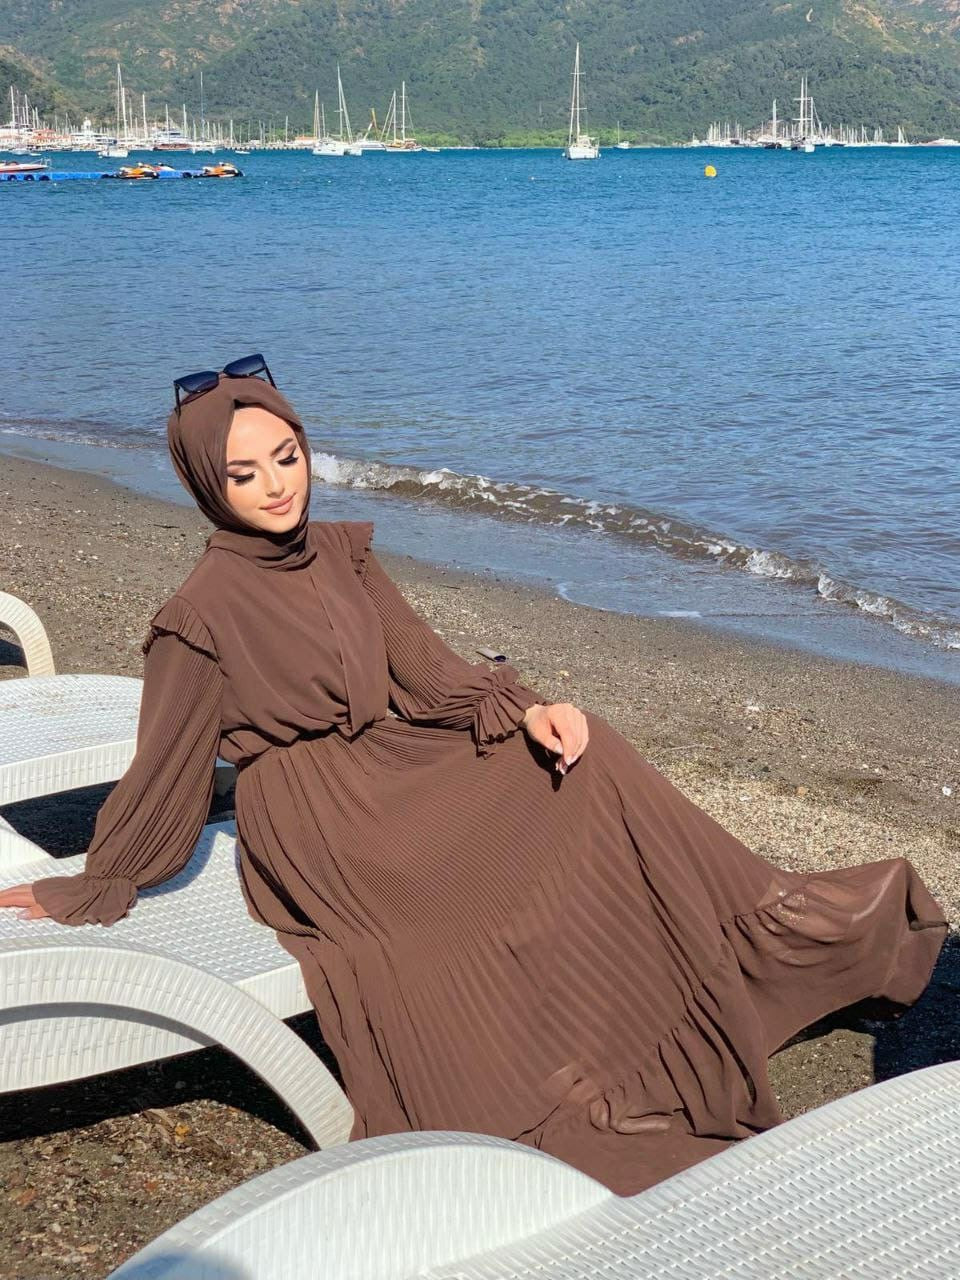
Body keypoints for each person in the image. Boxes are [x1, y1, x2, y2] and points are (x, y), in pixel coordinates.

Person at [0, 358, 946, 1194]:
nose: (278, 485)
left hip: (398, 763)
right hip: (323, 822)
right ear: (207, 483)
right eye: (245, 473)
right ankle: (573, 1059)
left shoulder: (341, 553)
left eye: (287, 457)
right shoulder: (197, 614)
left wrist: (527, 708)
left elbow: (429, 670)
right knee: (453, 919)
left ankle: (766, 941)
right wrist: (100, 880)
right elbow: (165, 767)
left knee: (586, 757)